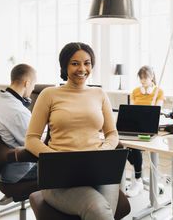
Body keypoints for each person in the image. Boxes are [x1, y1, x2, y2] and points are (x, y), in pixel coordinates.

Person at [25, 42, 119, 220]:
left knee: (104, 213)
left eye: (87, 63)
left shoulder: (99, 94)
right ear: (64, 66)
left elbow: (112, 134)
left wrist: (104, 150)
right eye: (75, 63)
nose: (82, 69)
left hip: (97, 170)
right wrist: (56, 159)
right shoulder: (49, 94)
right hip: (59, 176)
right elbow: (31, 139)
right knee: (99, 210)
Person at [0, 63, 37, 183]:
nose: (33, 89)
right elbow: (34, 144)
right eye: (33, 84)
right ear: (27, 83)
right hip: (21, 171)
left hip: (4, 169)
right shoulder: (18, 112)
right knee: (66, 168)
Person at [125, 66, 165, 197]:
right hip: (135, 124)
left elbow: (157, 112)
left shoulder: (158, 92)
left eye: (145, 78)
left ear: (152, 77)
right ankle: (138, 165)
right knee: (118, 144)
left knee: (135, 147)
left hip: (149, 126)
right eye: (141, 78)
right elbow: (131, 111)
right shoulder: (136, 91)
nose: (142, 81)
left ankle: (138, 180)